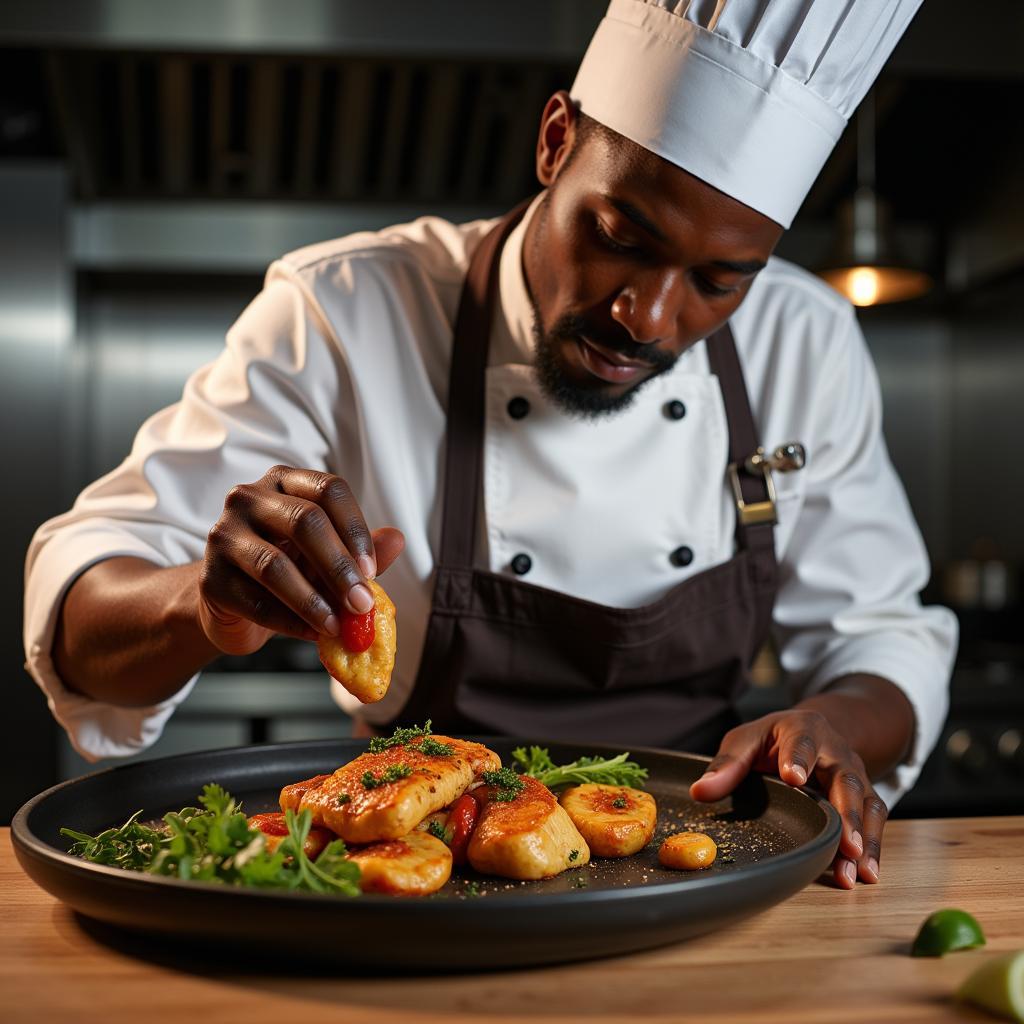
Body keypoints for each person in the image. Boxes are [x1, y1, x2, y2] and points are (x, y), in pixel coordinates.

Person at [24, 0, 956, 891]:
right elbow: (79, 619)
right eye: (619, 235)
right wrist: (205, 602)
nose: (649, 317)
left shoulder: (806, 338)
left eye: (719, 282)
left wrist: (834, 720)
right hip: (421, 868)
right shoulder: (341, 311)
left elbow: (882, 633)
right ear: (555, 141)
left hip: (702, 855)